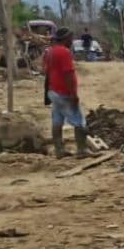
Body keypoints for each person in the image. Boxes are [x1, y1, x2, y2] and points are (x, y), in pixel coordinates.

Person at [43, 27, 90, 158]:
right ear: (65, 38)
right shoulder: (64, 52)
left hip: (53, 91)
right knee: (79, 120)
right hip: (63, 92)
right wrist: (73, 95)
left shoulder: (50, 52)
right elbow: (68, 74)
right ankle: (82, 150)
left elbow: (46, 70)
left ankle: (59, 150)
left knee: (57, 120)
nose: (72, 40)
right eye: (71, 37)